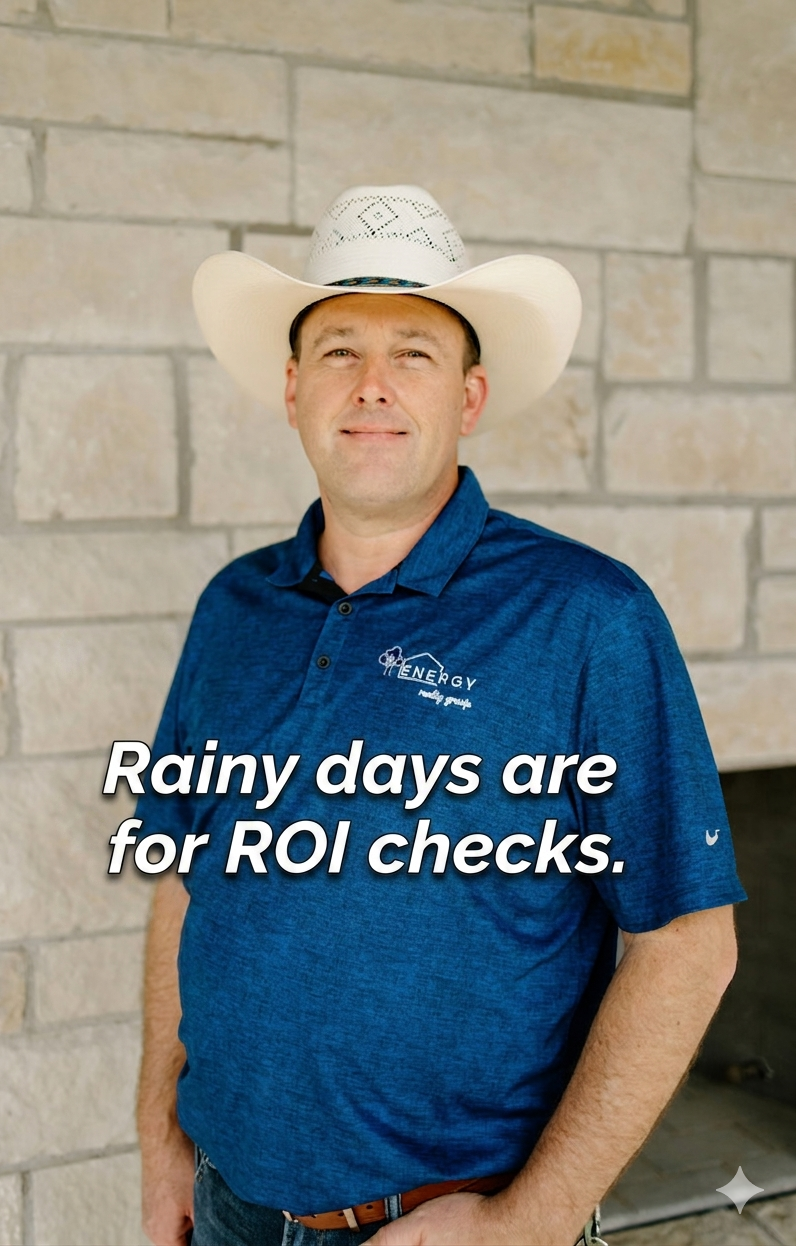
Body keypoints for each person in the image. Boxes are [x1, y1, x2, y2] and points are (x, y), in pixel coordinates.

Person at [131, 186, 745, 1246]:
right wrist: (156, 1139)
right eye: (337, 351)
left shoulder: (585, 617)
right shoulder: (234, 608)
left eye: (412, 352)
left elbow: (687, 943)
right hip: (225, 1204)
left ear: (467, 397)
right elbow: (182, 878)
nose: (371, 386)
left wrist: (530, 1221)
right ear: (290, 390)